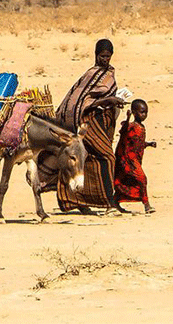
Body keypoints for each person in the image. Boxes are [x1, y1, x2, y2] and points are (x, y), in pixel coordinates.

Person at [54, 38, 126, 214]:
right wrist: (108, 99)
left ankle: (79, 201)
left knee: (91, 160)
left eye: (108, 57)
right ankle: (109, 203)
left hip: (101, 122)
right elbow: (84, 101)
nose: (105, 60)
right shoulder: (91, 74)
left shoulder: (108, 73)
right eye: (102, 56)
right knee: (108, 158)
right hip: (88, 123)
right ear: (95, 55)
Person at [114, 99, 156, 214]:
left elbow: (137, 143)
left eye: (145, 112)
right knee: (142, 179)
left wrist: (148, 144)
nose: (144, 115)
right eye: (141, 112)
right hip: (127, 160)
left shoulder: (141, 127)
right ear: (134, 112)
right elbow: (123, 131)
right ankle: (146, 205)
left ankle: (115, 201)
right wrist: (127, 118)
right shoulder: (131, 126)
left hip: (135, 159)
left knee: (126, 181)